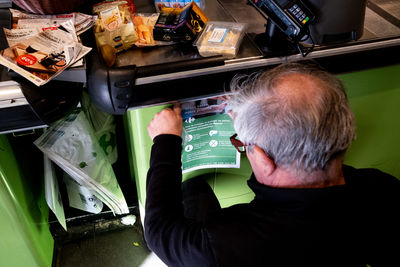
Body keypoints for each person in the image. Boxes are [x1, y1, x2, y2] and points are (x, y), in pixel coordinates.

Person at [145, 63, 400, 267]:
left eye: (244, 143)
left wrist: (165, 141)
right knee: (194, 192)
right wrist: (251, 115)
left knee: (191, 194)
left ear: (265, 161)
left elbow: (160, 232)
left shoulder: (223, 245)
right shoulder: (381, 189)